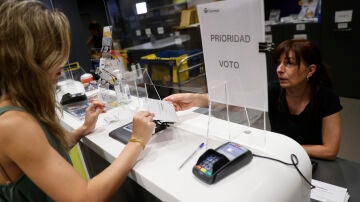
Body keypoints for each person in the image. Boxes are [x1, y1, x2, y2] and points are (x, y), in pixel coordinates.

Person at [0, 1, 155, 201]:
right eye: (53, 51)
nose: (63, 63)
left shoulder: (18, 108)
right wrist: (137, 141)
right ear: (27, 58)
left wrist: (83, 129)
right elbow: (84, 197)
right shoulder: (14, 125)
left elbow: (41, 155)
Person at [164, 39, 342, 160]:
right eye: (279, 63)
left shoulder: (326, 97)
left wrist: (284, 147)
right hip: (281, 157)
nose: (279, 69)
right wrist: (193, 98)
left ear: (310, 71)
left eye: (289, 63)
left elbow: (330, 150)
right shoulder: (274, 90)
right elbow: (232, 101)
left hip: (309, 161)